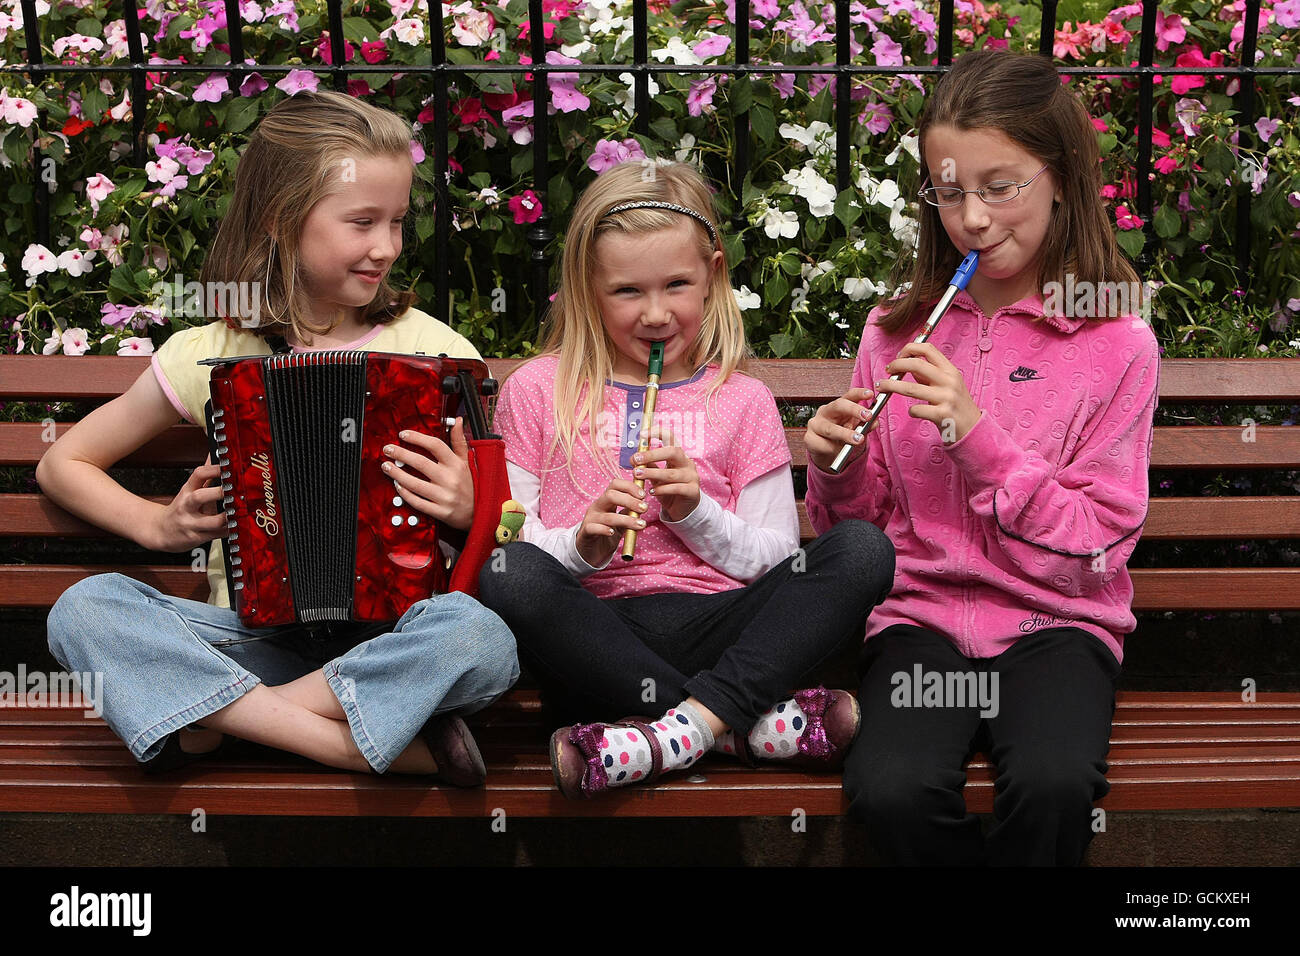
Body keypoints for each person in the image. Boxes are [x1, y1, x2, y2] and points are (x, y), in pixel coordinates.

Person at [39, 91, 518, 785]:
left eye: (397, 223)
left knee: (482, 640)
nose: (386, 246)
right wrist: (159, 524)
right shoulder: (208, 350)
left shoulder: (436, 354)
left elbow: (508, 525)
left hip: (389, 640)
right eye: (362, 221)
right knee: (83, 610)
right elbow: (64, 463)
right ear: (280, 220)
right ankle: (339, 742)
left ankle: (218, 726)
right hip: (246, 638)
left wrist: (470, 511)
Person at [804, 49, 1159, 864]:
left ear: (1064, 175)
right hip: (920, 622)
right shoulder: (897, 327)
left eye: (1001, 188)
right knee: (890, 791)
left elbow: (1099, 537)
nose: (971, 217)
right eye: (950, 190)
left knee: (1054, 783)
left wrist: (977, 438)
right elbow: (858, 533)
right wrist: (837, 467)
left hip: (1055, 625)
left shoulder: (1114, 338)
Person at [477, 160, 894, 798]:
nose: (655, 314)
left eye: (676, 284)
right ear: (588, 289)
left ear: (713, 277)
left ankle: (659, 735)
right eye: (626, 291)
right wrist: (582, 546)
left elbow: (779, 559)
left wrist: (696, 512)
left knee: (863, 550)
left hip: (723, 630)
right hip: (597, 637)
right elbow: (510, 535)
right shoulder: (538, 389)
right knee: (509, 574)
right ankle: (733, 729)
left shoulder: (742, 399)